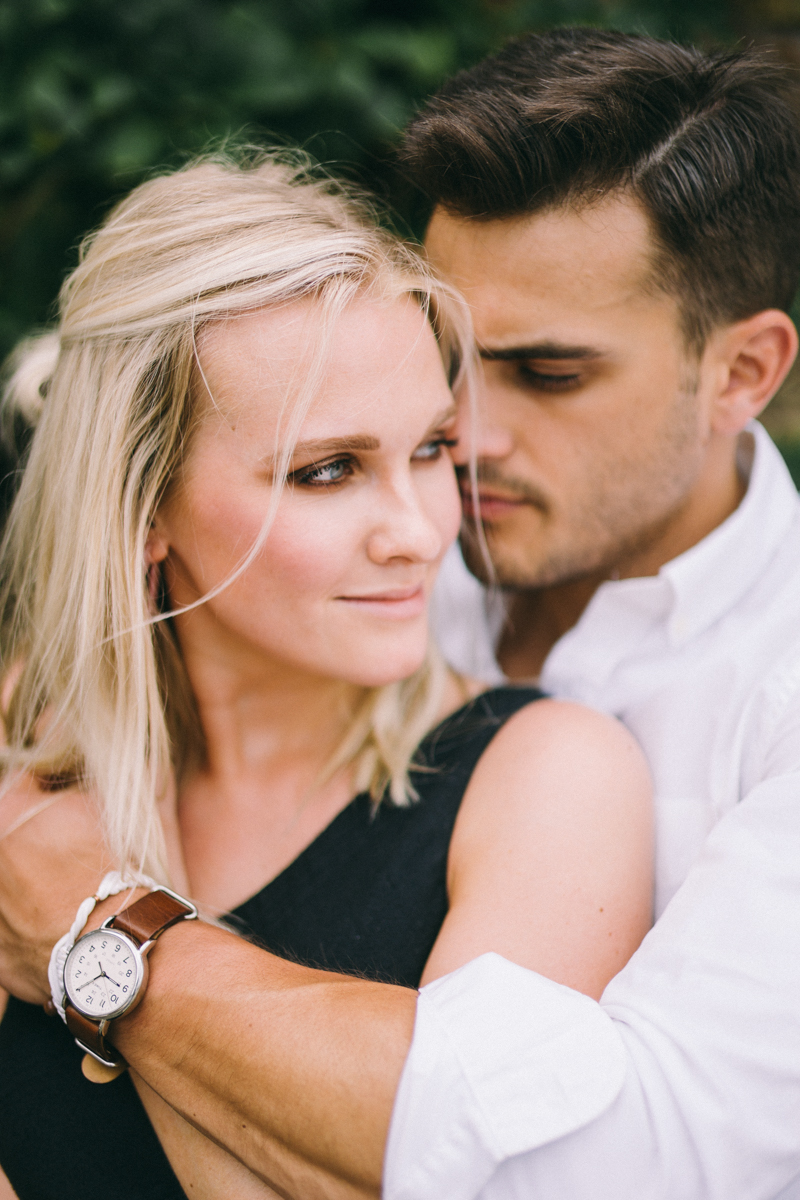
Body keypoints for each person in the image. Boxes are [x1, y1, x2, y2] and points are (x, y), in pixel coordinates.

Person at [1, 25, 799, 1200]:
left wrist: (106, 930)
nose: (456, 461)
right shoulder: (77, 710)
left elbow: (616, 1166)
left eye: (548, 372)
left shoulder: (720, 721)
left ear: (741, 375)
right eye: (449, 376)